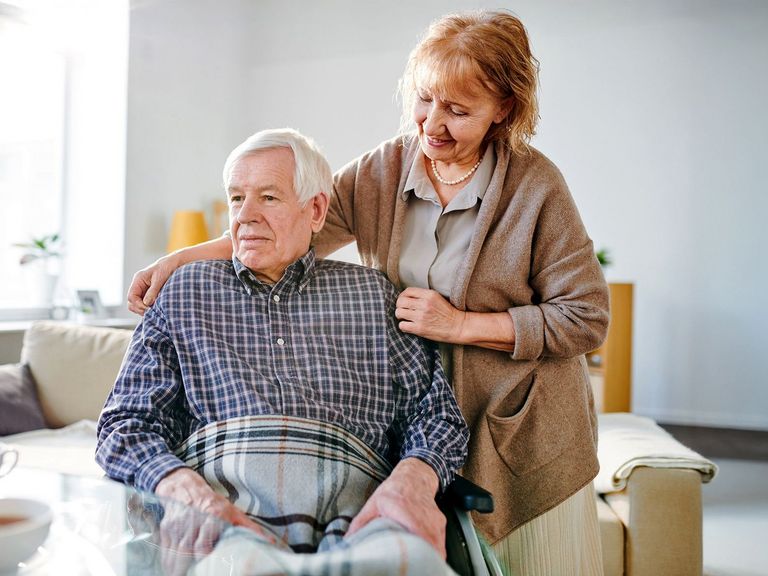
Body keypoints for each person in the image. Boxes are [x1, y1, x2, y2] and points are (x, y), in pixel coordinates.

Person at [127, 10, 610, 575]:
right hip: (430, 417)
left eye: (458, 110)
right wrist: (178, 260)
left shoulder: (535, 185)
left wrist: (462, 325)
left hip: (518, 417)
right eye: (425, 99)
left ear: (503, 109)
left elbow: (587, 317)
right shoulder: (385, 168)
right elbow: (290, 224)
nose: (432, 124)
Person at [98, 128, 469, 574]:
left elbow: (436, 416)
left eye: (269, 198)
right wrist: (184, 493)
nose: (246, 216)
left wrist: (413, 483)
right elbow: (125, 424)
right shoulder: (185, 292)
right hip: (222, 514)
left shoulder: (375, 295)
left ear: (315, 210)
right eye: (236, 199)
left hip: (362, 517)